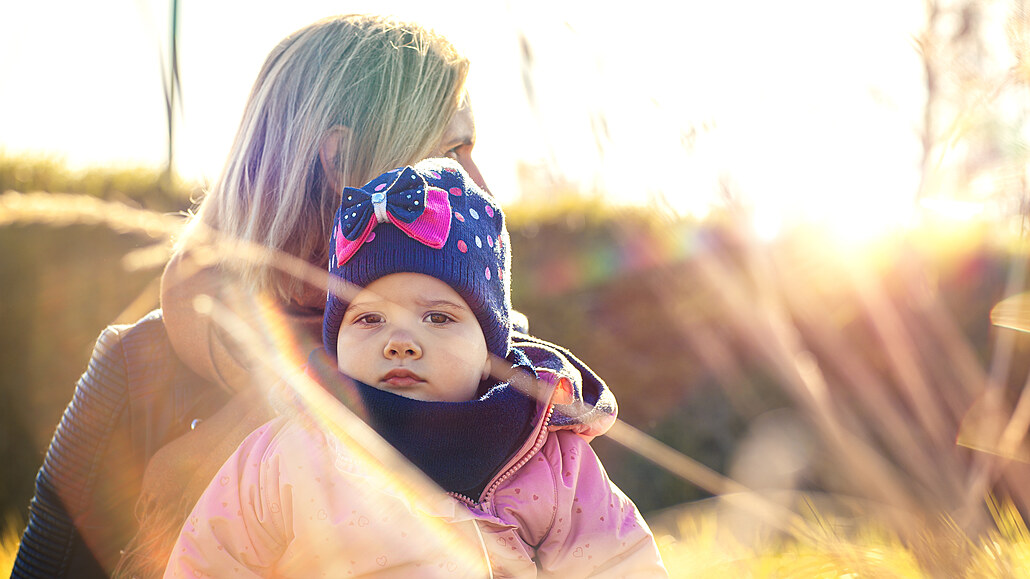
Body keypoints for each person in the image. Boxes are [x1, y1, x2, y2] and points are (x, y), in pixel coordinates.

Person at [12, 14, 600, 578]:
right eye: (450, 154)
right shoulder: (137, 370)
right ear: (340, 159)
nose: (484, 189)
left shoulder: (500, 384)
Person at [163, 158, 667, 577]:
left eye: (437, 318)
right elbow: (209, 562)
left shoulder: (545, 456)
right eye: (369, 318)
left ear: (492, 345)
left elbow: (617, 563)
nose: (400, 342)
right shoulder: (285, 455)